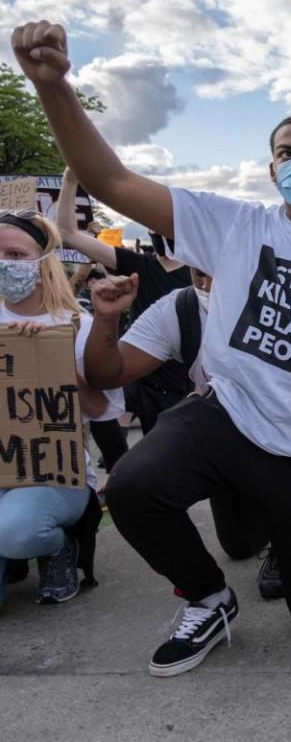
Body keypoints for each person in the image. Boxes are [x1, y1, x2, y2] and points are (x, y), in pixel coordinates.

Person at [13, 19, 291, 676]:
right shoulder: (235, 224)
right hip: (224, 419)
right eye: (287, 152)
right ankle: (208, 598)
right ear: (271, 169)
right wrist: (52, 85)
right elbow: (112, 179)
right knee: (133, 488)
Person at [0, 211, 124, 609]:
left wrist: (53, 361)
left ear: (42, 260)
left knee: (16, 530)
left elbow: (102, 409)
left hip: (55, 475)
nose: (4, 263)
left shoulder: (76, 325)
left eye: (15, 254)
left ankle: (55, 548)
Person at [56, 168, 194, 432]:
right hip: (141, 381)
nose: (158, 227)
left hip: (185, 387)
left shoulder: (199, 273)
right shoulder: (137, 265)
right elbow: (68, 232)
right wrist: (70, 181)